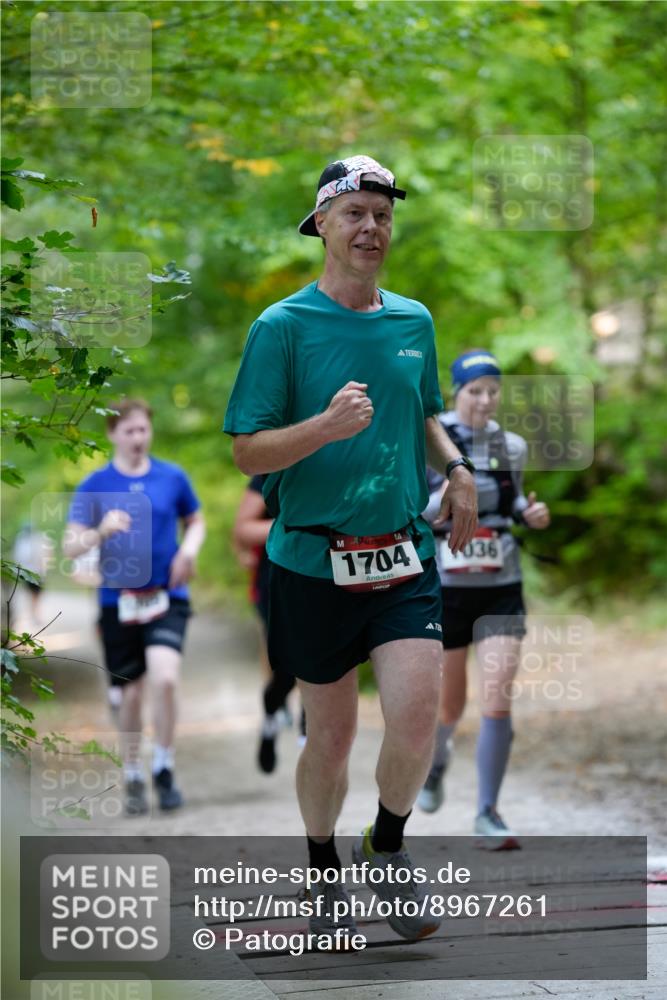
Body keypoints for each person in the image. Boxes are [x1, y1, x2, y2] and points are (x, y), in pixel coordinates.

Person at [224, 154, 477, 942]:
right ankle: (322, 867)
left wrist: (459, 469)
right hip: (310, 561)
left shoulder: (413, 320)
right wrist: (321, 429)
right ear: (322, 225)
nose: (371, 228)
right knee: (327, 738)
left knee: (413, 719)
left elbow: (424, 413)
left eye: (383, 215)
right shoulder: (282, 328)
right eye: (355, 214)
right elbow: (249, 453)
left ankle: (388, 846)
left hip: (402, 554)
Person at [416, 350, 551, 848]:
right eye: (475, 390)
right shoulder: (430, 439)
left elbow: (514, 499)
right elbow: (416, 507)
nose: (485, 399)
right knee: (449, 705)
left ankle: (488, 812)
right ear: (457, 392)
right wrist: (448, 501)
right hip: (446, 588)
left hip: (501, 585)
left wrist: (529, 513)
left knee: (497, 699)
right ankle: (435, 766)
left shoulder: (509, 445)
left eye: (493, 390)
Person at [63, 398, 205, 815]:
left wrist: (189, 552)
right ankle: (132, 772)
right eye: (129, 431)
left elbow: (195, 520)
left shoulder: (172, 477)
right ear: (112, 434)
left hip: (167, 594)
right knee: (129, 695)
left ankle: (163, 764)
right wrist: (101, 531)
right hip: (117, 600)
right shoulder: (94, 485)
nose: (138, 438)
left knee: (165, 679)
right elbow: (71, 546)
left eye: (144, 429)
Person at [233, 475, 303, 773]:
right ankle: (272, 718)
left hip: (332, 580)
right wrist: (297, 527)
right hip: (276, 582)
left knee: (320, 662)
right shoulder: (271, 468)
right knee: (287, 668)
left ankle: (310, 737)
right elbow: (242, 529)